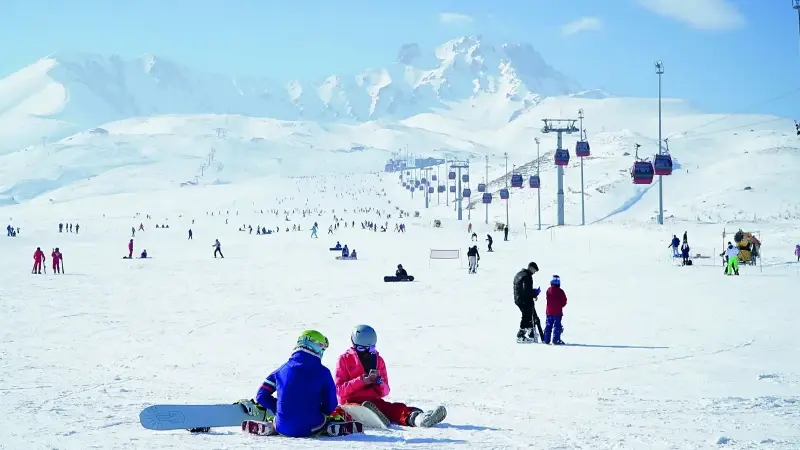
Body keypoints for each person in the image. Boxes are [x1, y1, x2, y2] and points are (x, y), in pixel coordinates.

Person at [237, 330, 347, 437]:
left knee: (281, 422)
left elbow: (261, 396)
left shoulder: (281, 370)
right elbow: (330, 406)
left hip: (283, 426)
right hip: (311, 427)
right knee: (327, 420)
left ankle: (272, 426)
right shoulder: (324, 372)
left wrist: (280, 409)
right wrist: (320, 412)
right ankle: (329, 427)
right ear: (318, 347)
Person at [334, 325, 447, 428]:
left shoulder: (378, 361)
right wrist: (362, 381)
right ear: (354, 344)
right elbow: (339, 390)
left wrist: (379, 382)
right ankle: (371, 414)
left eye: (371, 348)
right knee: (358, 409)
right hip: (351, 403)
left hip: (374, 402)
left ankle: (418, 418)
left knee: (394, 409)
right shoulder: (344, 360)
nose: (366, 352)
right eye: (361, 349)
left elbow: (385, 392)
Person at [513, 262, 542, 342]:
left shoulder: (520, 274)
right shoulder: (527, 276)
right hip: (524, 299)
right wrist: (534, 293)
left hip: (518, 298)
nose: (534, 273)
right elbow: (526, 291)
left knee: (527, 315)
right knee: (527, 316)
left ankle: (530, 332)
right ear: (531, 268)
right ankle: (521, 335)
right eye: (534, 271)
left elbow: (523, 289)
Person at [543, 275, 567, 345]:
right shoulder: (561, 291)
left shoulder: (548, 290)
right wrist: (560, 306)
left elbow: (547, 298)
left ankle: (546, 340)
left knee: (548, 326)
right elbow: (564, 301)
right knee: (557, 326)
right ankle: (556, 340)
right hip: (557, 312)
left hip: (549, 312)